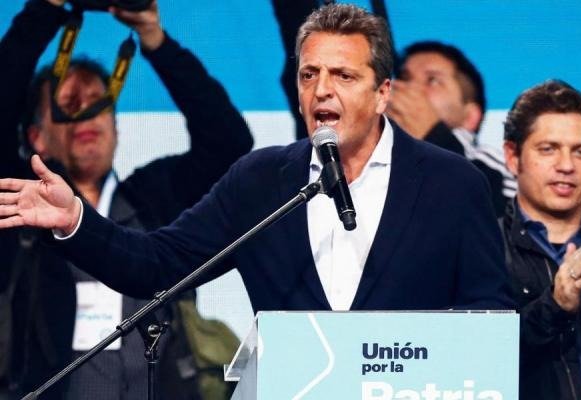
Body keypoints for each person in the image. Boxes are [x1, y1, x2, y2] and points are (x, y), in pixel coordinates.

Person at [0, 3, 512, 323]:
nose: (322, 90)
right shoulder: (262, 181)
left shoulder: (452, 182)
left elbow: (490, 315)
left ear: (382, 93)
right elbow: (155, 266)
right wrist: (75, 221)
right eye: (309, 74)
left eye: (343, 76)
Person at [0, 0, 252, 399]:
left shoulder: (155, 198)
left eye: (99, 103)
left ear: (116, 128)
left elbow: (229, 143)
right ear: (36, 137)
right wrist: (45, 10)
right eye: (70, 105)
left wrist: (154, 37)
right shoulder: (21, 208)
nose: (87, 117)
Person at [501, 80, 581, 399]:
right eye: (548, 149)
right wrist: (555, 306)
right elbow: (472, 357)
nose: (567, 166)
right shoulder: (482, 249)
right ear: (512, 156)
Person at [387, 41, 516, 216]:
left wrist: (433, 136)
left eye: (433, 80)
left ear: (470, 116)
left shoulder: (493, 166)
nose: (410, 89)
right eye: (405, 77)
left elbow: (501, 221)